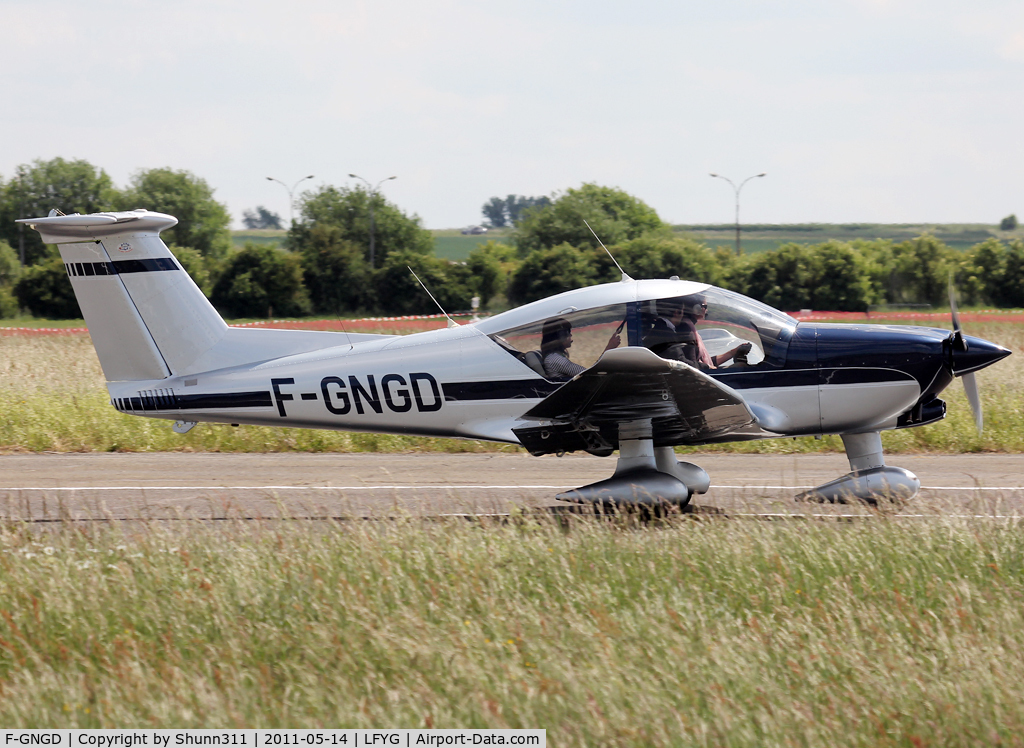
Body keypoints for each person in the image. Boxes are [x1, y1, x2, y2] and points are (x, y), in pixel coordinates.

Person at [646, 295, 750, 369]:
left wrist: (732, 352)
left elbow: (699, 362)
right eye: (705, 306)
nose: (706, 310)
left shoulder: (672, 329)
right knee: (741, 367)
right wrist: (713, 368)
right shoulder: (680, 332)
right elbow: (692, 367)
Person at [540, 317, 621, 380]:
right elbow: (591, 374)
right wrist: (609, 348)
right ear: (558, 337)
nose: (570, 335)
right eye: (567, 333)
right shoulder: (556, 359)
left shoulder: (554, 357)